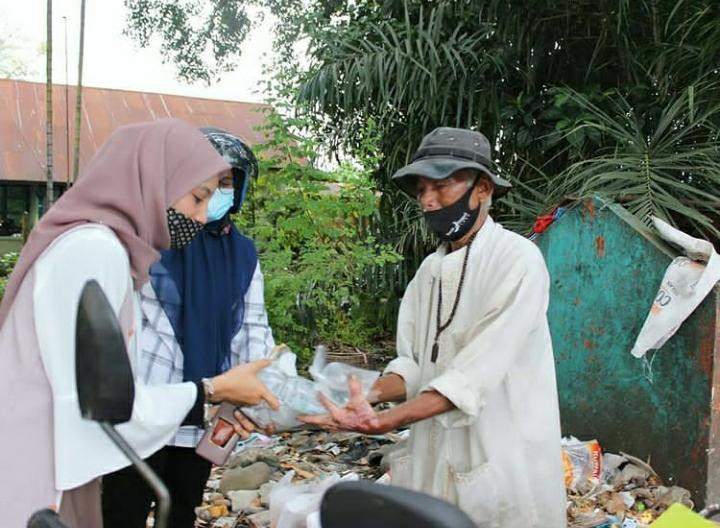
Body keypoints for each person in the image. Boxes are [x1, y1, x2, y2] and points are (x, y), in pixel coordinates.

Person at [0, 119, 278, 528]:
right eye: (198, 197)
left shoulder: (104, 246)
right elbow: (107, 403)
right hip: (49, 465)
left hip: (64, 454)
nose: (201, 217)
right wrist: (212, 389)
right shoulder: (95, 250)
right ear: (153, 179)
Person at [301, 127, 566, 527]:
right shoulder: (429, 271)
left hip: (502, 463)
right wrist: (368, 395)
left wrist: (389, 420)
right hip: (435, 461)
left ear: (483, 189)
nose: (427, 201)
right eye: (422, 188)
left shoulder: (517, 261)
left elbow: (471, 377)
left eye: (442, 186)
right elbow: (413, 364)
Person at [102, 129, 274, 527]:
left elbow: (253, 330)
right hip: (143, 408)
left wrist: (258, 395)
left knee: (182, 509)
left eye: (227, 183)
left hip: (203, 414)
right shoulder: (155, 238)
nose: (215, 196)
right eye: (205, 187)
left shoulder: (243, 254)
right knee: (122, 510)